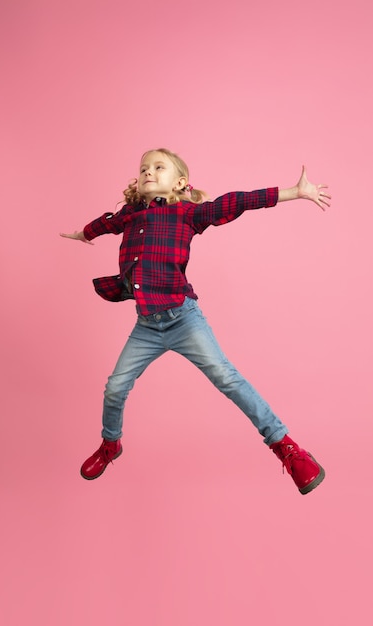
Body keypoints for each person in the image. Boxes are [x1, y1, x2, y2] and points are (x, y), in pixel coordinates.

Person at [60, 148, 331, 494]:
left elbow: (238, 201)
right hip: (147, 325)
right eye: (143, 168)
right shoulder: (129, 215)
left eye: (159, 167)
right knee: (115, 387)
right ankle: (111, 444)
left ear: (181, 182)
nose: (148, 172)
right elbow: (105, 224)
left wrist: (293, 192)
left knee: (228, 379)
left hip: (183, 319)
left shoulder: (188, 214)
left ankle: (288, 448)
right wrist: (84, 234)